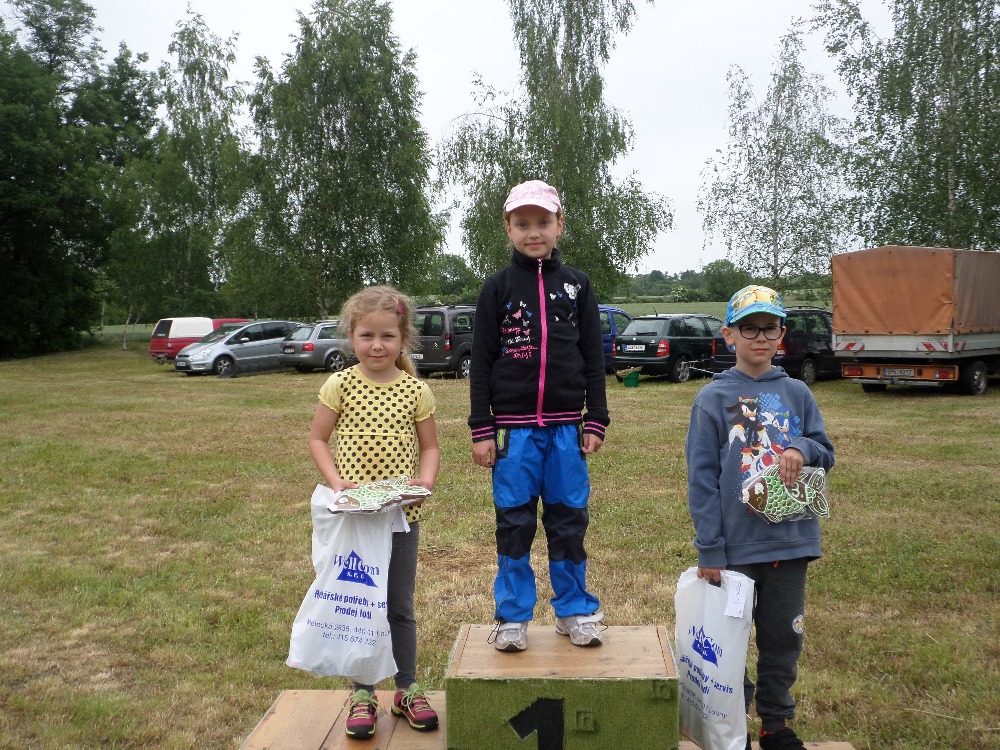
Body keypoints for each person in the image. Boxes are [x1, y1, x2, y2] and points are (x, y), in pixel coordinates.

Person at [685, 285, 835, 750]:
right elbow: (702, 480)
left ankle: (776, 724)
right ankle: (733, 726)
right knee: (726, 646)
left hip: (790, 545)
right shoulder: (713, 398)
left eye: (770, 328)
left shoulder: (796, 392)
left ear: (781, 334)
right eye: (749, 329)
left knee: (783, 641)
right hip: (734, 551)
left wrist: (801, 448)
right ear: (729, 334)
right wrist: (710, 548)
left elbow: (824, 450)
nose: (760, 337)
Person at [469, 179, 609, 653]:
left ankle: (574, 610)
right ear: (508, 227)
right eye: (523, 223)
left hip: (568, 430)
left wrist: (597, 417)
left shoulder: (577, 285)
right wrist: (482, 429)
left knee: (569, 523)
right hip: (514, 435)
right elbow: (481, 363)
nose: (534, 232)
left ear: (559, 225)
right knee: (515, 525)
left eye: (543, 222)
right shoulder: (497, 288)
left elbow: (593, 356)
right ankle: (512, 617)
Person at [308, 286, 441, 740]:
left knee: (398, 606)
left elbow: (430, 447)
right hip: (355, 522)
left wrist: (425, 483)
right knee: (361, 603)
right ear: (352, 336)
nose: (377, 345)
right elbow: (318, 439)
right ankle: (362, 694)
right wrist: (336, 482)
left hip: (401, 521)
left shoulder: (416, 391)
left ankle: (407, 689)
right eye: (367, 336)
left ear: (403, 339)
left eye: (388, 336)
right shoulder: (339, 385)